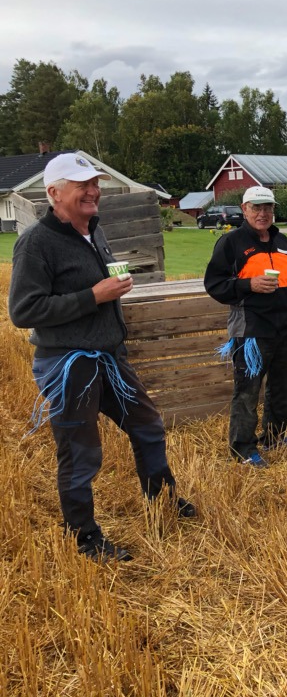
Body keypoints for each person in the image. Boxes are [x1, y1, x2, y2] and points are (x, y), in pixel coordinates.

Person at [8, 153, 195, 562]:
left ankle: (163, 500)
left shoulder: (94, 230)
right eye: (82, 185)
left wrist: (110, 291)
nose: (93, 191)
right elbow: (23, 311)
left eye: (95, 184)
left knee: (148, 425)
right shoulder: (36, 243)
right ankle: (85, 537)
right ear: (54, 193)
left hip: (109, 356)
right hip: (68, 365)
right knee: (80, 451)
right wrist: (94, 296)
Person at [204, 185, 287, 468]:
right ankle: (242, 448)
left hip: (286, 329)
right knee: (248, 390)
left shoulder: (282, 241)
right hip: (250, 330)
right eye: (256, 208)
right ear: (244, 209)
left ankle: (274, 437)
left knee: (284, 386)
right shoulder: (231, 243)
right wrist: (249, 284)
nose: (263, 213)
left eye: (267, 208)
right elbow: (214, 285)